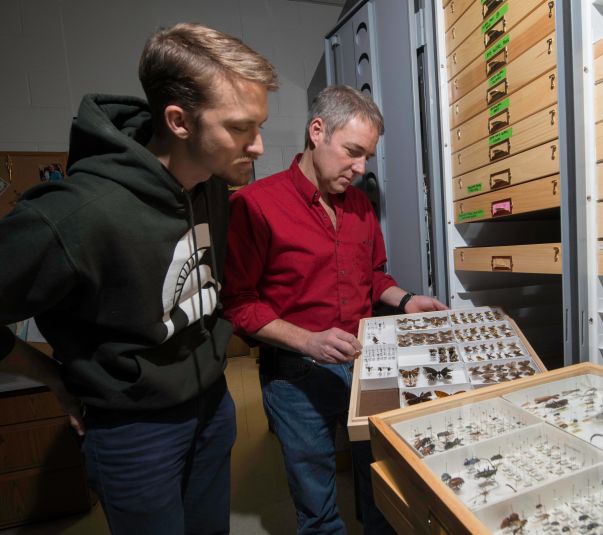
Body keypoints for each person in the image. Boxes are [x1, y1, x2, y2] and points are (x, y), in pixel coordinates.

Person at [0, 23, 277, 535]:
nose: (258, 145)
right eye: (240, 128)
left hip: (211, 406)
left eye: (258, 125)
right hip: (134, 431)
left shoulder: (213, 183)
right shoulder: (77, 213)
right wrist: (52, 378)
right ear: (178, 122)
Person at [222, 85, 448, 534]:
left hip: (366, 362)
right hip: (296, 374)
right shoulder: (254, 204)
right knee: (318, 503)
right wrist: (308, 339)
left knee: (380, 481)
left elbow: (373, 277)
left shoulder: (360, 205)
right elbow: (239, 304)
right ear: (317, 131)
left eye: (367, 157)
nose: (361, 168)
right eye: (352, 152)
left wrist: (405, 300)